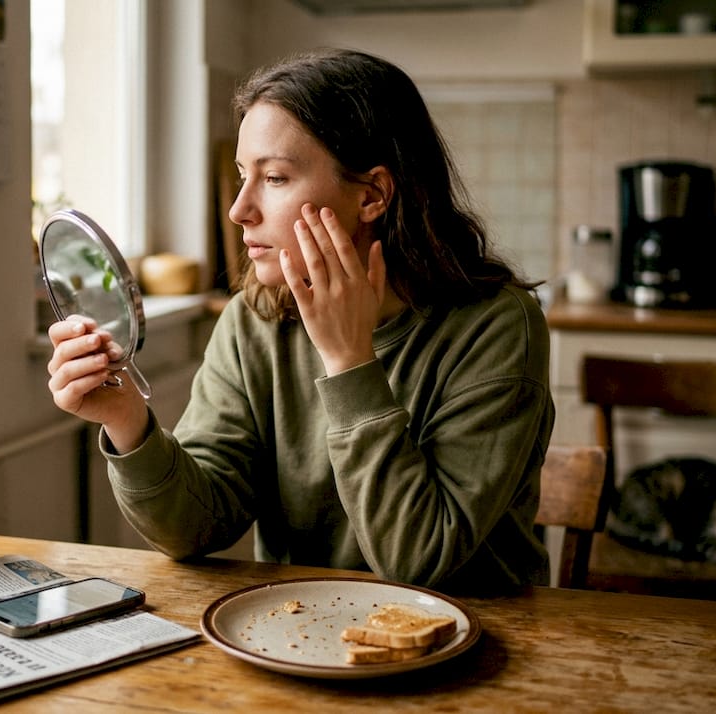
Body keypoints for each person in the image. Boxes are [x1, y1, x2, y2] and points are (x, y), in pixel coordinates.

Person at [46, 48, 554, 595]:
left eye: (275, 178)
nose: (239, 210)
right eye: (243, 176)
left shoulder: (497, 328)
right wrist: (128, 422)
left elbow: (419, 560)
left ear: (372, 195)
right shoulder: (253, 321)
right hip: (296, 627)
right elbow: (195, 527)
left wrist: (349, 360)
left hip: (482, 631)